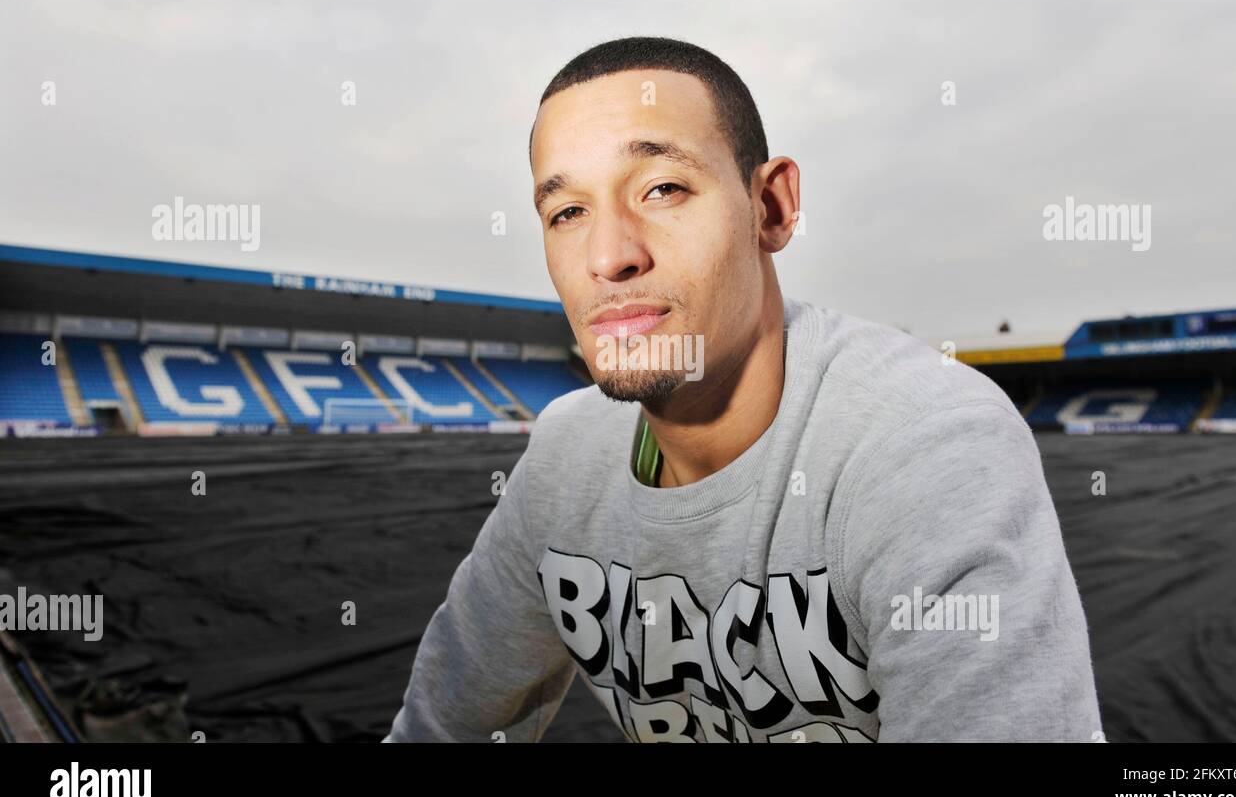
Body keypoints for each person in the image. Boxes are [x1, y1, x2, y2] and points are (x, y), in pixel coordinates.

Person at [384, 36, 1102, 743]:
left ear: (772, 207)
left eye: (662, 188)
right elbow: (441, 724)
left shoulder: (928, 441)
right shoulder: (565, 459)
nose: (608, 257)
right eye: (567, 212)